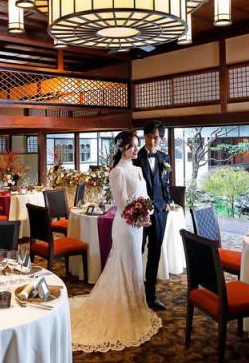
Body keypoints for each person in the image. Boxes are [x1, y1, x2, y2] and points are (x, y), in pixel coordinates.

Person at [69, 130, 162, 352]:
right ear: (122, 148)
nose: (136, 149)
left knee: (135, 264)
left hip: (137, 227)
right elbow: (122, 207)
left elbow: (143, 198)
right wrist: (141, 216)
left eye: (137, 145)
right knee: (125, 264)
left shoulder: (137, 168)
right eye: (132, 146)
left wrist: (147, 211)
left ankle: (135, 306)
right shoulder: (117, 172)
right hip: (126, 228)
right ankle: (124, 308)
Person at [134, 120, 172, 310]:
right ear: (144, 137)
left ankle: (151, 296)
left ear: (161, 139)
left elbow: (165, 182)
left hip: (160, 211)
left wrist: (168, 201)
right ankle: (134, 293)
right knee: (137, 251)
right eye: (149, 137)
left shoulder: (165, 157)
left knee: (155, 252)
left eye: (156, 138)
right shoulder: (135, 157)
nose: (152, 141)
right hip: (140, 212)